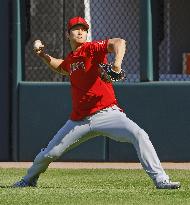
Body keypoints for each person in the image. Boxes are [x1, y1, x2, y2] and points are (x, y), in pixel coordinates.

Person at [12, 16, 180, 189]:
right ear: (67, 34)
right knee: (50, 153)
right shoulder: (71, 59)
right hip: (79, 121)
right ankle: (28, 180)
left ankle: (161, 179)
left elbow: (119, 42)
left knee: (139, 135)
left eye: (84, 29)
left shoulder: (92, 48)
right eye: (76, 29)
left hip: (108, 113)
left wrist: (116, 64)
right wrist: (43, 55)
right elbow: (62, 66)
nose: (80, 31)